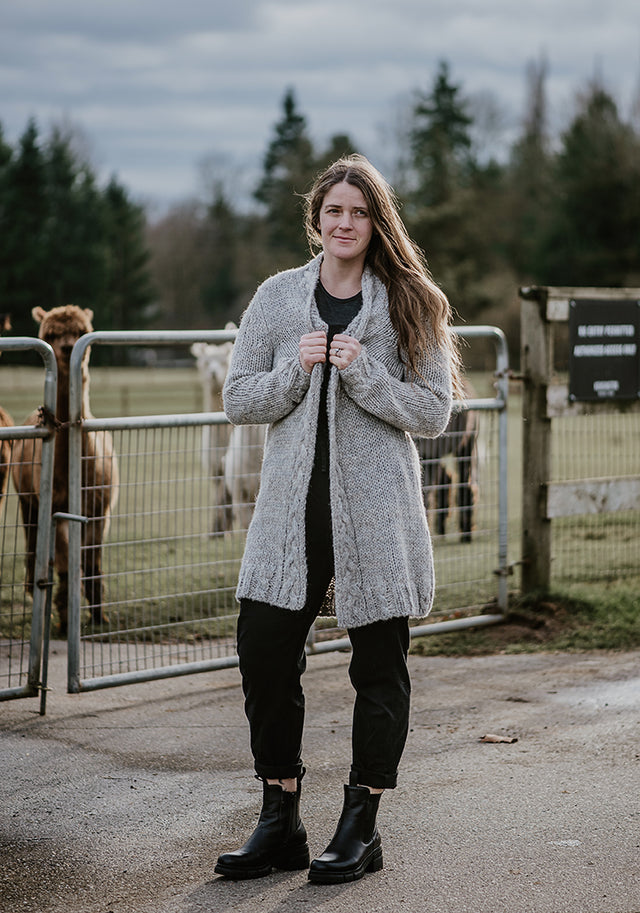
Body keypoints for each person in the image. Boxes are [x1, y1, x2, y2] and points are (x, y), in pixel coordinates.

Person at [215, 154, 462, 884]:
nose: (345, 223)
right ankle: (279, 818)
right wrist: (296, 369)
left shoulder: (412, 302)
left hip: (376, 520)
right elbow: (239, 398)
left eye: (359, 212)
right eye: (334, 211)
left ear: (376, 221)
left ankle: (361, 825)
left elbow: (433, 412)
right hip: (288, 519)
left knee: (379, 667)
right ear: (316, 219)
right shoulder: (276, 298)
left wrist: (364, 372)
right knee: (264, 654)